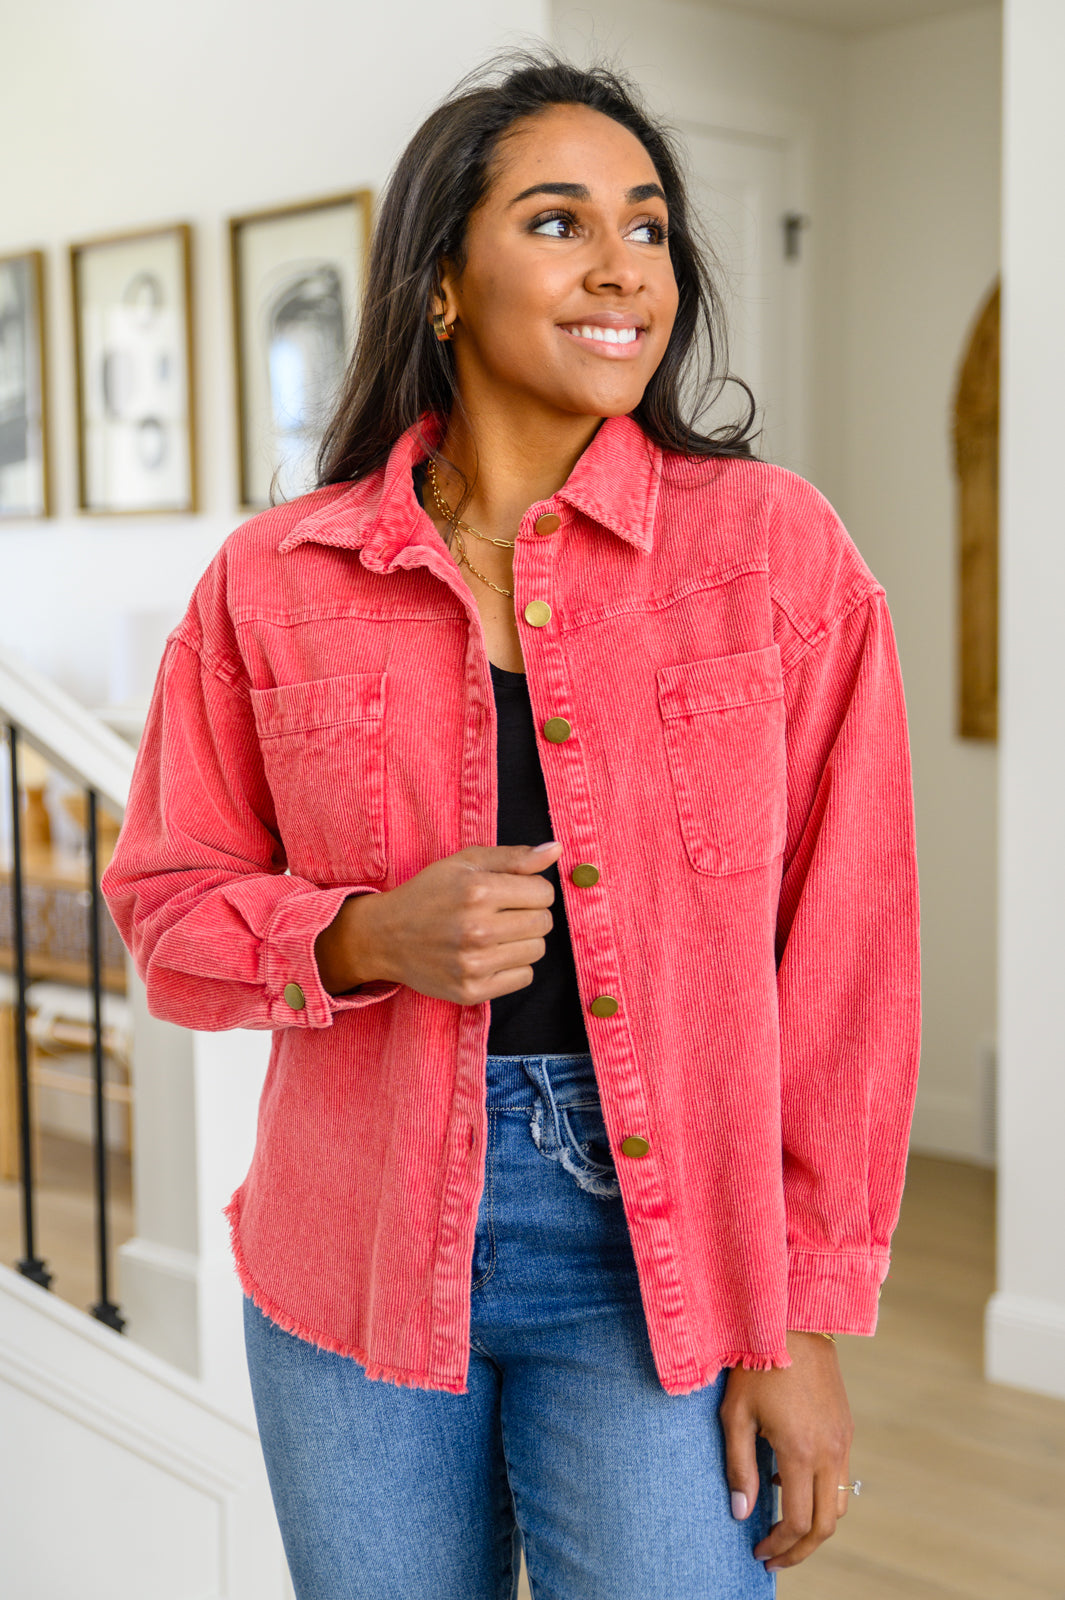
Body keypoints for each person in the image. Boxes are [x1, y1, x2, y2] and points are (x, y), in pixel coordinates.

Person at [101, 47, 921, 1600]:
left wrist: (794, 1318)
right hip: (351, 1250)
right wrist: (356, 933)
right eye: (557, 222)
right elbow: (165, 909)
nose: (623, 267)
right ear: (441, 286)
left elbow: (848, 965)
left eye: (650, 224)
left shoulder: (773, 557)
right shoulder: (274, 582)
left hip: (664, 1260)